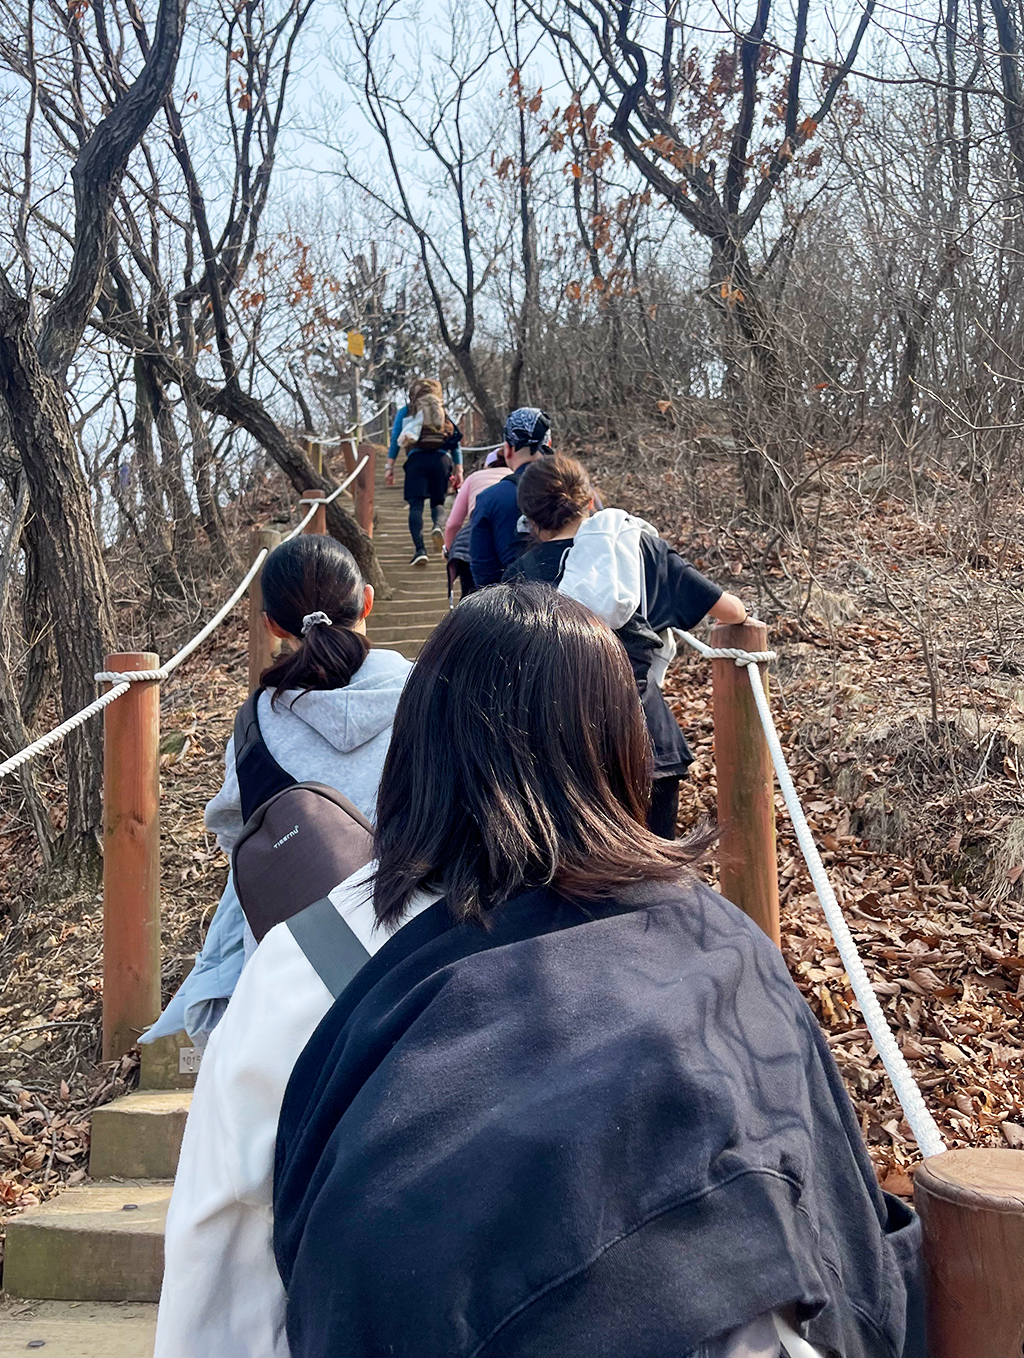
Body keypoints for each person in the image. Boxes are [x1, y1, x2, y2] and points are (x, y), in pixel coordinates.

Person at [268, 585, 924, 1358]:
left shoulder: (301, 963)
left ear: (420, 740)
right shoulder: (727, 945)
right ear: (621, 744)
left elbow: (226, 1260)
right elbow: (840, 1217)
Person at [140, 533, 411, 1050]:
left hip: (294, 972)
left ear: (271, 625)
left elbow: (240, 837)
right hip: (416, 961)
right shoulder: (430, 695)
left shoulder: (253, 726)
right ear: (368, 601)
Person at [506, 453, 746, 840]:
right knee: (660, 880)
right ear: (588, 502)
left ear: (530, 520)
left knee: (590, 888)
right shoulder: (640, 548)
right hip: (649, 743)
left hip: (568, 755)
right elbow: (730, 609)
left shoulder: (521, 579)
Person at [469, 405, 552, 587]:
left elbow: (483, 574)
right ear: (549, 445)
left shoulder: (489, 499)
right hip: (576, 608)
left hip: (515, 607)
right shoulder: (577, 492)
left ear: (507, 449)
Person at [385, 379, 463, 566]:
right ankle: (437, 526)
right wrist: (459, 468)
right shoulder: (442, 411)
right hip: (441, 460)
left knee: (416, 505)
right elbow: (455, 441)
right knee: (438, 502)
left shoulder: (407, 410)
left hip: (416, 460)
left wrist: (390, 467)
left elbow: (396, 437)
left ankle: (420, 550)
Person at [443, 447, 509, 599]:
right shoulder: (520, 476)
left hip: (469, 543)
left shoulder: (475, 477)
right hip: (507, 538)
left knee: (471, 597)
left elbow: (453, 523)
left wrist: (447, 548)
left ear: (487, 465)